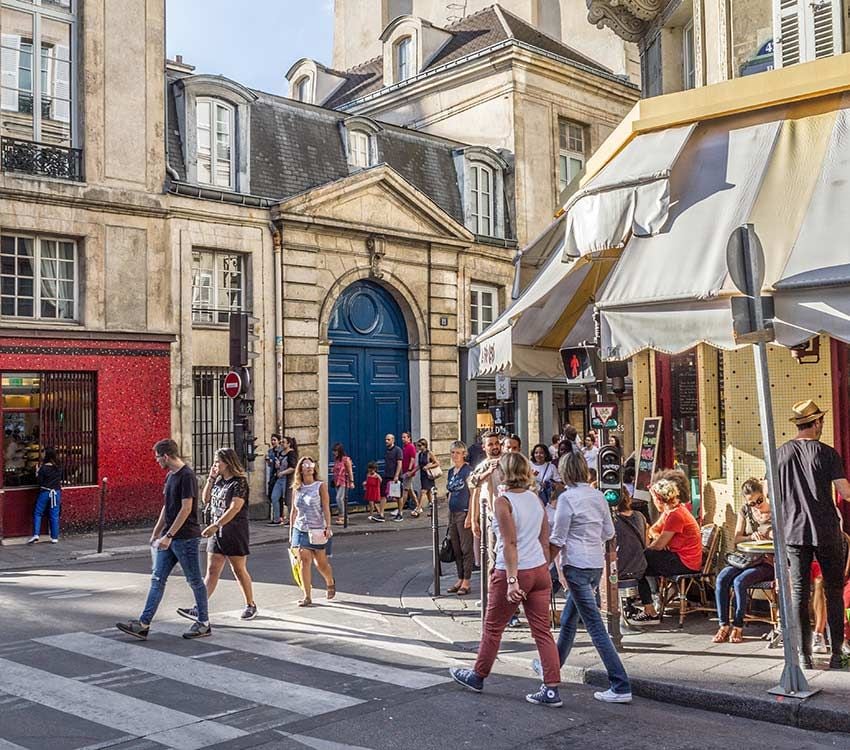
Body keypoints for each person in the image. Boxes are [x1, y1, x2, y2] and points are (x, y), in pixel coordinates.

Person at [450, 452, 563, 707]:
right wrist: (543, 568)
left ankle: (478, 675)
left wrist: (512, 579)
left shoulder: (504, 502)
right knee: (542, 632)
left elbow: (510, 542)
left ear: (505, 472)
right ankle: (552, 687)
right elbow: (544, 539)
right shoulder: (535, 499)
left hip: (513, 570)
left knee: (493, 628)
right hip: (538, 569)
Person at [541, 451, 632, 703]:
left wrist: (543, 564)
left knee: (595, 627)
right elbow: (609, 532)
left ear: (565, 472)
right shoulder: (599, 496)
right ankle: (553, 670)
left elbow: (558, 538)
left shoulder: (567, 499)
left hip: (576, 565)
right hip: (595, 564)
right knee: (569, 621)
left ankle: (620, 683)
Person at [776, 399, 850, 669]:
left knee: (799, 592)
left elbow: (771, 492)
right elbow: (845, 492)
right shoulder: (827, 453)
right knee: (833, 590)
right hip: (826, 530)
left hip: (793, 531)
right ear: (817, 422)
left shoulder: (780, 453)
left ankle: (803, 655)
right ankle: (836, 654)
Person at [116, 439, 210, 640]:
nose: (156, 461)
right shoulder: (170, 476)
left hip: (186, 539)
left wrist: (169, 535)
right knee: (157, 579)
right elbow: (167, 507)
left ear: (166, 456)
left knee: (194, 580)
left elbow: (186, 509)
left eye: (157, 457)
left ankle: (204, 622)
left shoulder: (187, 476)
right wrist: (156, 531)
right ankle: (143, 624)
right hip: (169, 538)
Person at [178, 448, 257, 622]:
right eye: (214, 462)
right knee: (212, 570)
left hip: (234, 531)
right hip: (216, 533)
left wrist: (216, 524)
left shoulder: (239, 483)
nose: (215, 465)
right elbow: (206, 499)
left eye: (217, 462)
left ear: (227, 462)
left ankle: (250, 604)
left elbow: (235, 507)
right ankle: (200, 607)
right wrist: (211, 478)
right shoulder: (220, 481)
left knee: (238, 569)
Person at [630, 469, 702, 625]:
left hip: (686, 562)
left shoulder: (675, 515)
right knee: (642, 563)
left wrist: (654, 545)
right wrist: (660, 540)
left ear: (659, 499)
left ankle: (650, 609)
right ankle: (652, 603)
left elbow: (658, 545)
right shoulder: (672, 510)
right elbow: (653, 530)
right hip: (679, 557)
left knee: (639, 563)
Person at [712, 479, 774, 644]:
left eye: (759, 500)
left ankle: (738, 626)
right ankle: (723, 624)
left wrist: (769, 535)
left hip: (767, 561)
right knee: (722, 578)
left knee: (740, 582)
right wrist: (750, 537)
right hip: (745, 559)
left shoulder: (777, 510)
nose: (757, 505)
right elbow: (737, 539)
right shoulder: (746, 511)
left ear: (765, 495)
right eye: (752, 503)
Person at [290, 456, 335, 607]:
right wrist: (291, 533)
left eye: (311, 464)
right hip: (300, 528)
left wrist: (328, 526)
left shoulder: (320, 486)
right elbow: (293, 511)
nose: (309, 467)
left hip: (317, 529)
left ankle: (330, 581)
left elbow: (326, 507)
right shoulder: (297, 487)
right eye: (305, 464)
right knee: (304, 560)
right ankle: (307, 596)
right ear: (301, 469)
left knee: (320, 563)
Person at [614, 490, 648, 622]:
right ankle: (633, 606)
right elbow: (646, 543)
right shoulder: (640, 516)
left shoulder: (612, 519)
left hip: (620, 570)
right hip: (639, 568)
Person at [446, 441, 473, 596]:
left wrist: (470, 514)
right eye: (452, 452)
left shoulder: (468, 471)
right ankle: (460, 577)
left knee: (465, 548)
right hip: (452, 513)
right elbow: (449, 492)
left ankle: (467, 581)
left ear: (464, 454)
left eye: (457, 452)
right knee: (455, 547)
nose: (454, 455)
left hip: (464, 512)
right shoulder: (451, 472)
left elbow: (472, 493)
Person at [27, 448, 63, 545]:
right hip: (56, 493)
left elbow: (40, 482)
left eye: (43, 453)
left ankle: (36, 534)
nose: (42, 454)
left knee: (38, 513)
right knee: (54, 515)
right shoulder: (58, 467)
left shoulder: (43, 468)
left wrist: (37, 473)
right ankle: (54, 537)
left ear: (47, 455)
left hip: (45, 492)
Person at [371, 433, 403, 523]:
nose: (386, 441)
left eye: (388, 440)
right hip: (386, 475)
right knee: (383, 495)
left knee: (397, 495)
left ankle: (400, 513)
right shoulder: (387, 451)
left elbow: (399, 463)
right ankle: (381, 514)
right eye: (386, 439)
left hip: (395, 476)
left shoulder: (398, 450)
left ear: (393, 440)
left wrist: (396, 475)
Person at [269, 436, 297, 526]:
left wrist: (283, 472)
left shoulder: (291, 454)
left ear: (289, 444)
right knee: (274, 497)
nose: (281, 444)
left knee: (289, 500)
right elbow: (278, 465)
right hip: (279, 478)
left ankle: (292, 519)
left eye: (283, 442)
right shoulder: (280, 453)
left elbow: (293, 467)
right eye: (281, 442)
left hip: (288, 479)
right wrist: (277, 466)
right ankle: (277, 519)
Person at [413, 438, 439, 518]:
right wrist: (412, 471)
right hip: (423, 475)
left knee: (423, 492)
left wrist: (428, 466)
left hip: (428, 476)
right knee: (429, 494)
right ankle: (433, 510)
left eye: (420, 445)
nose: (419, 447)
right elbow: (419, 465)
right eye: (418, 445)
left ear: (425, 445)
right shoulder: (420, 454)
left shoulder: (429, 453)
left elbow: (437, 463)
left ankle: (418, 509)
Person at [530, 443, 561, 507]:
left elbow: (558, 483)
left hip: (545, 497)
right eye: (536, 453)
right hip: (531, 496)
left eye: (541, 453)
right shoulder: (529, 465)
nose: (538, 455)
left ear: (546, 454)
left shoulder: (551, 467)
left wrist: (549, 484)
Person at [331, 443, 354, 526]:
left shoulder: (346, 459)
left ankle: (343, 516)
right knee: (341, 499)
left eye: (336, 451)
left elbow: (350, 471)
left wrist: (351, 482)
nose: (334, 453)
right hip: (337, 481)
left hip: (344, 481)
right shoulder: (336, 460)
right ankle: (342, 516)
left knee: (339, 498)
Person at [265, 434, 285, 521]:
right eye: (272, 440)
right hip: (272, 474)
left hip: (279, 475)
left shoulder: (281, 451)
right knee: (271, 495)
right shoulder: (270, 451)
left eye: (274, 440)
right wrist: (268, 461)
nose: (273, 442)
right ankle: (277, 516)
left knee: (278, 497)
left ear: (278, 441)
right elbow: (270, 464)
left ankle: (280, 516)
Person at [400, 431, 418, 515]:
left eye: (404, 437)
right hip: (405, 471)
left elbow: (412, 459)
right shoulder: (405, 447)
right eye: (402, 437)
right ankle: (418, 506)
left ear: (409, 438)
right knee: (410, 490)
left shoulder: (411, 447)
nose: (403, 439)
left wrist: (410, 470)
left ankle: (400, 510)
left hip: (408, 472)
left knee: (405, 490)